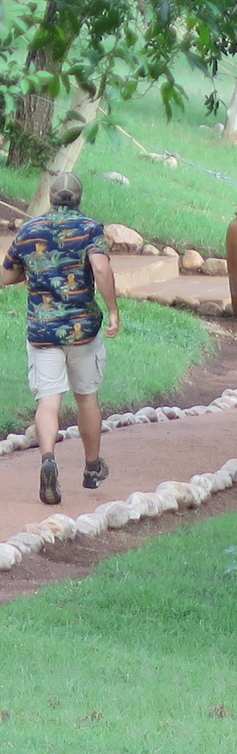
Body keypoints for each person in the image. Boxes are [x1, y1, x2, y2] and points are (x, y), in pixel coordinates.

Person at [1, 171, 120, 504]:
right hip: (83, 330)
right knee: (87, 398)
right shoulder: (90, 229)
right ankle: (92, 467)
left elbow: (7, 273)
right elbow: (100, 268)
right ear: (79, 199)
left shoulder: (30, 230)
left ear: (52, 197)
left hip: (42, 331)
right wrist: (113, 310)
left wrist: (32, 269)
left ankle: (49, 458)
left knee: (48, 401)